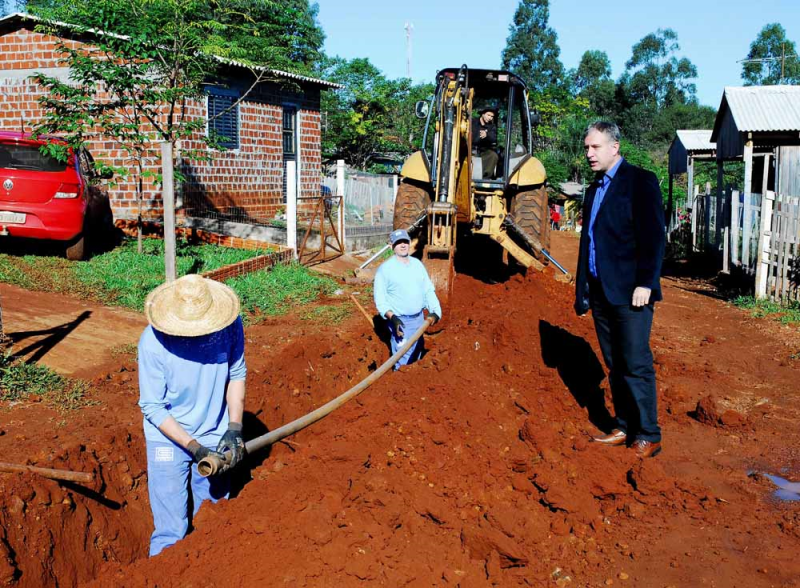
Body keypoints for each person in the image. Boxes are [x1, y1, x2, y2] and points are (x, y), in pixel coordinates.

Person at [574, 121, 665, 459]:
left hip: (631, 292)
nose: (589, 154)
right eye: (586, 148)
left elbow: (654, 237)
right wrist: (582, 287)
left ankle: (648, 433)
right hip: (600, 292)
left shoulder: (640, 181)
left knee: (635, 362)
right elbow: (589, 242)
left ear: (614, 147)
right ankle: (625, 424)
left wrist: (646, 282)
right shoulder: (594, 188)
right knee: (614, 364)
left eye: (594, 147)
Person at [138, 274, 247, 556]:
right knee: (170, 531)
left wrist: (234, 428)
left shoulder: (230, 327)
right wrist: (193, 447)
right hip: (168, 439)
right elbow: (152, 406)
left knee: (213, 521)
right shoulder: (152, 343)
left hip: (214, 433)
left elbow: (236, 375)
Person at [373, 229, 442, 369]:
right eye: (399, 243)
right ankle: (399, 387)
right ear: (392, 246)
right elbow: (380, 300)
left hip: (420, 319)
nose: (403, 245)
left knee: (417, 354)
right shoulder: (385, 269)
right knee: (403, 359)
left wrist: (435, 311)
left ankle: (414, 387)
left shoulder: (417, 265)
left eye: (405, 241)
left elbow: (428, 290)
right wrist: (392, 318)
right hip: (401, 322)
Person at [471, 107, 498, 179]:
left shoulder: (492, 126)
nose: (490, 118)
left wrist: (487, 135)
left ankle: (485, 178)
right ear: (483, 114)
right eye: (488, 115)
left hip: (483, 150)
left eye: (492, 116)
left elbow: (494, 138)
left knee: (493, 156)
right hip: (469, 149)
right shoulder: (472, 122)